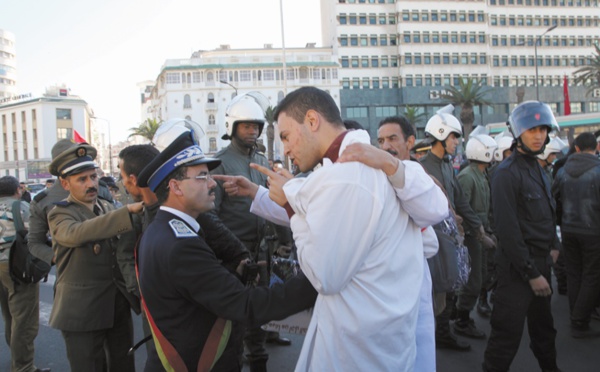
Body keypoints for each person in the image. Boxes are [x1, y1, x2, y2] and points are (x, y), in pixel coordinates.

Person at [253, 86, 439, 371]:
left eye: (286, 136)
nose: (285, 149)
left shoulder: (349, 176)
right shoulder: (344, 170)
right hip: (379, 336)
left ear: (312, 121)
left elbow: (324, 275)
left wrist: (293, 210)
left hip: (360, 346)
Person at [135, 127, 316, 372]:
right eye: (202, 177)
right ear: (176, 187)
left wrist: (233, 274)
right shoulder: (180, 245)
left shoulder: (164, 230)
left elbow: (194, 290)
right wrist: (316, 281)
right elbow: (246, 306)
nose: (212, 184)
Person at [47, 141, 143, 371]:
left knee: (124, 364)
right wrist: (126, 213)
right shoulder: (60, 213)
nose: (91, 184)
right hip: (82, 312)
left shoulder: (106, 207)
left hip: (115, 305)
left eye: (93, 177)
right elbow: (76, 233)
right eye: (82, 179)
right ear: (64, 183)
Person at [483, 101, 562, 372]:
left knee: (544, 333)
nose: (538, 135)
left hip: (540, 264)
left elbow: (547, 213)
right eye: (531, 129)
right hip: (517, 271)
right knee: (505, 339)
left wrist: (554, 246)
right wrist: (531, 273)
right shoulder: (506, 173)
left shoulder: (539, 168)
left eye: (542, 129)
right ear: (519, 133)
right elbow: (507, 231)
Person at [211, 93, 286, 370]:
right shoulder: (219, 163)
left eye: (256, 126)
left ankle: (259, 359)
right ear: (232, 128)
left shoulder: (262, 160)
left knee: (260, 308)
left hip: (263, 249)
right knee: (236, 316)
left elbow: (275, 201)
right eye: (246, 126)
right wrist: (232, 252)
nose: (252, 131)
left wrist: (283, 241)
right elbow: (211, 215)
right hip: (235, 252)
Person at [419, 105, 486, 351]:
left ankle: (442, 333)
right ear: (440, 134)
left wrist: (477, 227)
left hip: (450, 239)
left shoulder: (447, 165)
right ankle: (440, 335)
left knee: (449, 288)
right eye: (453, 136)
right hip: (433, 239)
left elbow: (460, 200)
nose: (457, 142)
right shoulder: (423, 167)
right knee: (440, 288)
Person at [552, 131, 600, 338]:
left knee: (574, 273)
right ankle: (579, 319)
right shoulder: (598, 170)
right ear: (595, 148)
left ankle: (577, 314)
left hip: (568, 229)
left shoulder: (563, 171)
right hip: (593, 230)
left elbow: (554, 199)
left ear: (577, 148)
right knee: (592, 274)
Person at [0, 176, 50, 372]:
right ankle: (23, 367)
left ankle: (16, 356)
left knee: (9, 315)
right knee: (24, 320)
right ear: (17, 190)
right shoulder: (20, 207)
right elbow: (37, 234)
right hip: (16, 266)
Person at [454, 134, 498, 338]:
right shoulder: (468, 176)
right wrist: (481, 235)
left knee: (479, 278)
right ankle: (462, 320)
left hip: (480, 234)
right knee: (473, 280)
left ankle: (464, 315)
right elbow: (463, 211)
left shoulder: (481, 174)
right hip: (472, 237)